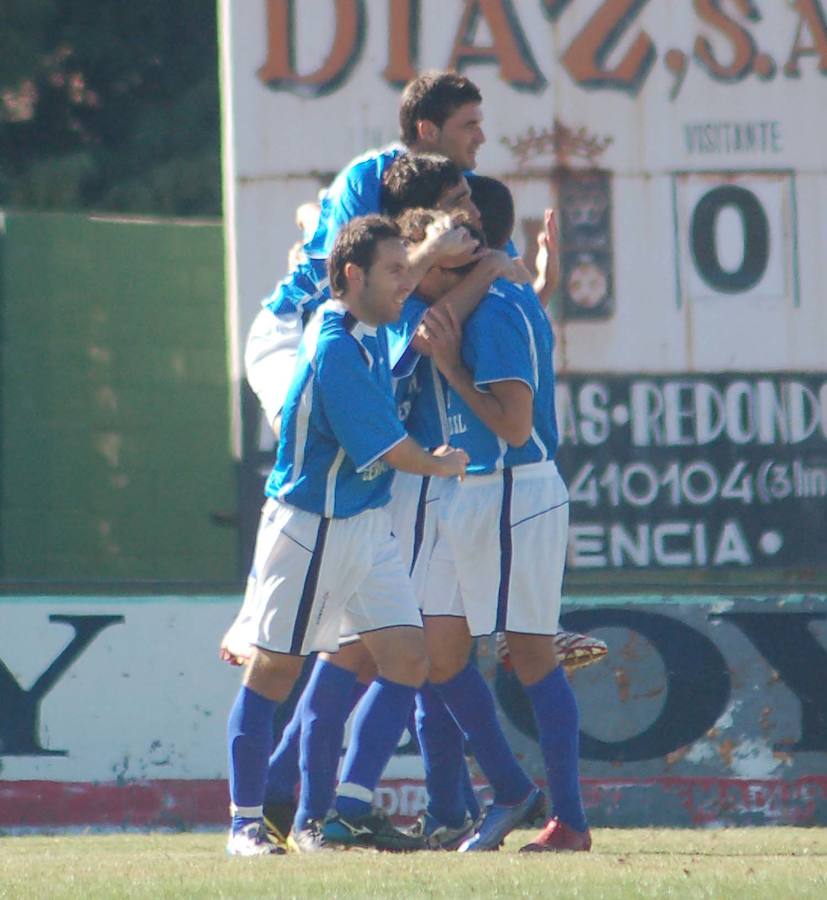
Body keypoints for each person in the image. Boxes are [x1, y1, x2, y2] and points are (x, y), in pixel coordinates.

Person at [225, 215, 469, 856]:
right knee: (274, 672)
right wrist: (440, 461)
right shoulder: (333, 344)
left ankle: (337, 814)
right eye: (394, 270)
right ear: (353, 276)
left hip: (364, 528)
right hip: (311, 527)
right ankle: (246, 826)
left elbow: (403, 291)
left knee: (408, 660)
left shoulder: (368, 327)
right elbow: (386, 447)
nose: (405, 281)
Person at [417, 176, 592, 852]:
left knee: (531, 654)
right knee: (439, 648)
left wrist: (452, 367)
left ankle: (569, 821)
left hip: (515, 488)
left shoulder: (490, 313)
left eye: (455, 226)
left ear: (475, 238)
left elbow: (516, 429)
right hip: (478, 490)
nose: (441, 240)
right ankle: (512, 791)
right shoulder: (490, 297)